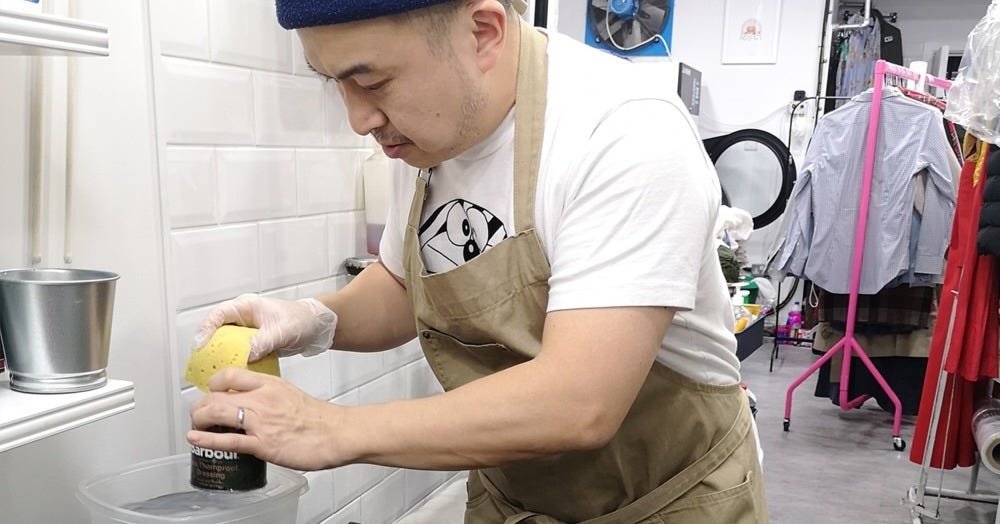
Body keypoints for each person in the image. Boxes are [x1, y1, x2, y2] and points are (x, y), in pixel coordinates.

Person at [188, 0, 768, 522]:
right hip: (513, 497)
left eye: (372, 82)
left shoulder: (624, 132)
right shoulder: (426, 136)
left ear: (483, 32)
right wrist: (315, 319)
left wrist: (331, 429)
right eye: (334, 83)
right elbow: (404, 281)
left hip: (666, 501)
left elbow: (579, 401)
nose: (358, 119)